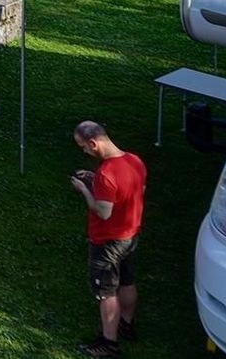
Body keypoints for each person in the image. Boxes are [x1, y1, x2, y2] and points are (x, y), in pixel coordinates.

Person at [70, 120, 146, 356]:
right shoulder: (134, 160)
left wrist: (85, 190)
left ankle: (108, 343)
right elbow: (133, 190)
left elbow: (103, 212)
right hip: (130, 234)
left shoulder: (106, 174)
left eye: (83, 146)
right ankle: (126, 324)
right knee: (127, 280)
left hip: (107, 241)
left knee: (106, 291)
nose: (84, 151)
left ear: (94, 143)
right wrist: (96, 179)